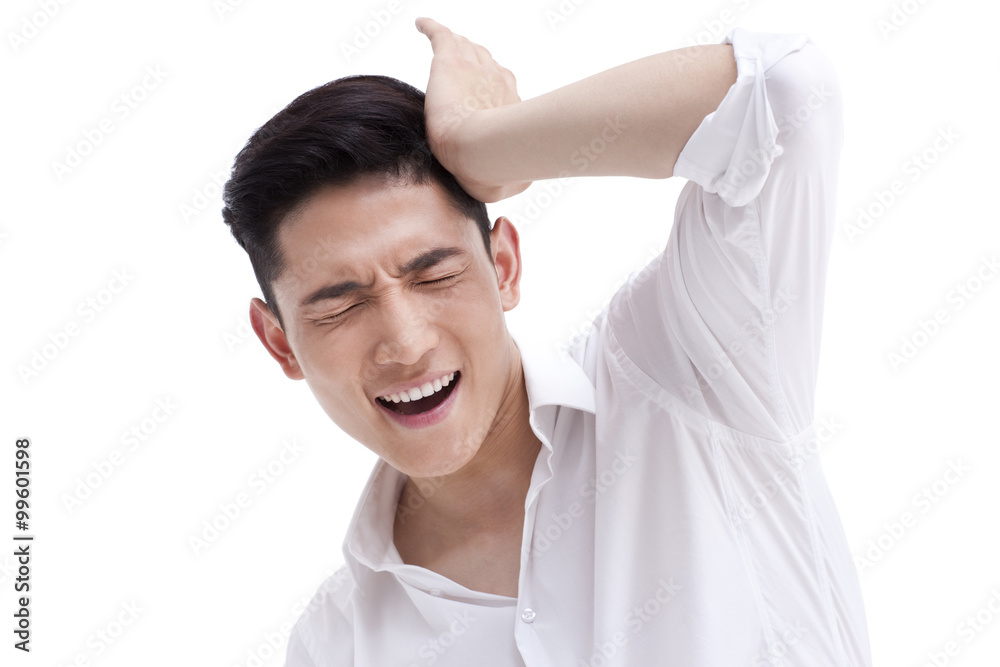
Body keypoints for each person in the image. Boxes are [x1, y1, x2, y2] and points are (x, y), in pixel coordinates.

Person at [222, 16, 873, 667]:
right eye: (343, 305)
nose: (406, 342)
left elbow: (787, 94)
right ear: (279, 343)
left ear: (503, 266)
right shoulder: (337, 645)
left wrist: (480, 145)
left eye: (434, 274)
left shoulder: (687, 371)